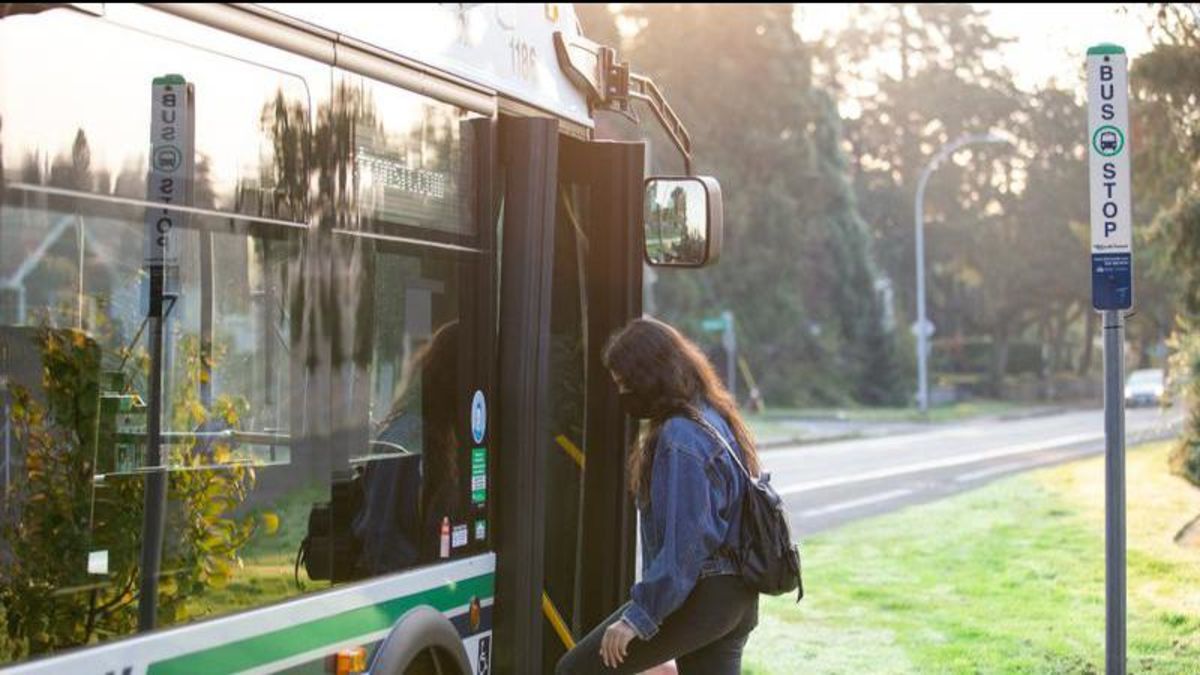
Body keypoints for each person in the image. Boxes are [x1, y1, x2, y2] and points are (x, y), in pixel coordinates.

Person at [557, 317, 761, 675]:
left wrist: (639, 617)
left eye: (625, 383)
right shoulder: (714, 417)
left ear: (650, 377)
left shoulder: (680, 437)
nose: (622, 394)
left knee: (576, 669)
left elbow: (688, 542)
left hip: (703, 593)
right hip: (737, 596)